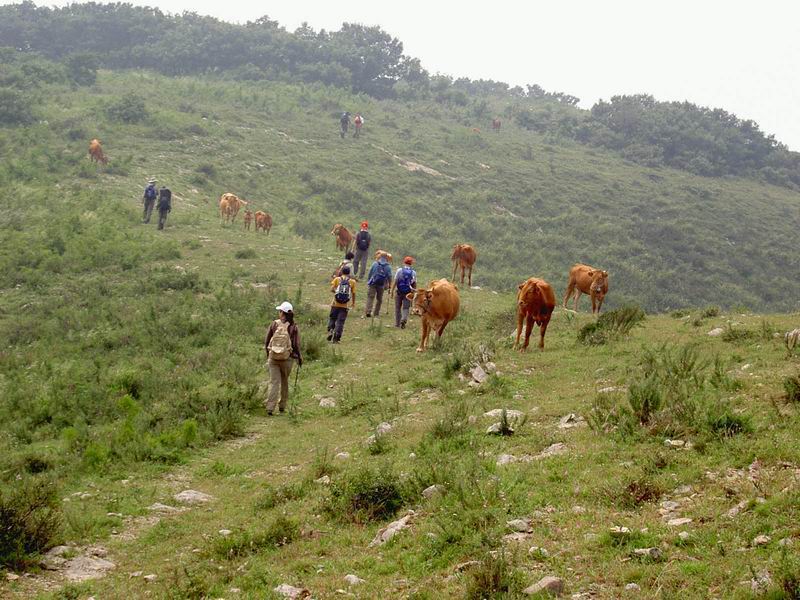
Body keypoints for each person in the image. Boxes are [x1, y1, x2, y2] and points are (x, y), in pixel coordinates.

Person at [264, 301, 302, 416]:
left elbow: (267, 341)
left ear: (282, 312)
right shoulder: (294, 326)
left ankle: (270, 408)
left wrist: (269, 355)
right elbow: (296, 344)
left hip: (273, 358)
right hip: (287, 359)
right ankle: (282, 407)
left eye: (280, 311)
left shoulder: (274, 324)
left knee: (274, 382)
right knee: (284, 382)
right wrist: (299, 357)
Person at [327, 265, 356, 343]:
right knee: (340, 322)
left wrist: (337, 292)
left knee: (332, 318)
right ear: (349, 273)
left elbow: (332, 289)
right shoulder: (352, 282)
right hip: (345, 305)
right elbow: (353, 293)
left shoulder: (337, 279)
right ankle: (336, 338)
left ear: (342, 272)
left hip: (335, 304)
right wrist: (353, 303)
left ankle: (330, 330)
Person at [364, 253, 392, 318]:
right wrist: (389, 284)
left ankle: (368, 311)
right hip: (381, 284)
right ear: (386, 258)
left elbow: (370, 272)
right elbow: (389, 276)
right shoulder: (388, 266)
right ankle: (376, 313)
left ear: (380, 257)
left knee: (370, 297)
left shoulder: (375, 263)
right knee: (379, 299)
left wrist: (369, 280)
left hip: (373, 283)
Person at [392, 256, 417, 329]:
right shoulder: (413, 273)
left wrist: (392, 291)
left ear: (404, 262)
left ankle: (397, 324)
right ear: (411, 263)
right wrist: (413, 293)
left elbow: (395, 281)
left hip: (399, 292)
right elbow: (414, 284)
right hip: (408, 293)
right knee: (406, 308)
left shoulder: (399, 270)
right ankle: (404, 319)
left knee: (397, 308)